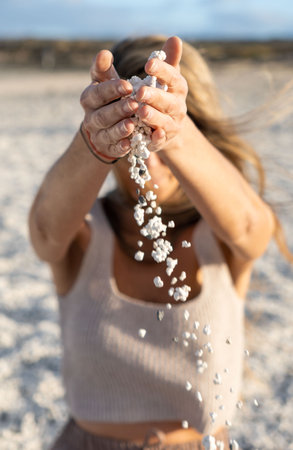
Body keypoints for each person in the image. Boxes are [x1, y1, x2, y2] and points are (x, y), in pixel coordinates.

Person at [29, 35, 281, 449]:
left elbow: (253, 228)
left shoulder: (221, 233)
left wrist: (175, 131)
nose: (147, 157)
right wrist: (93, 140)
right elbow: (44, 233)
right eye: (134, 136)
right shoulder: (86, 230)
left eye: (157, 129)